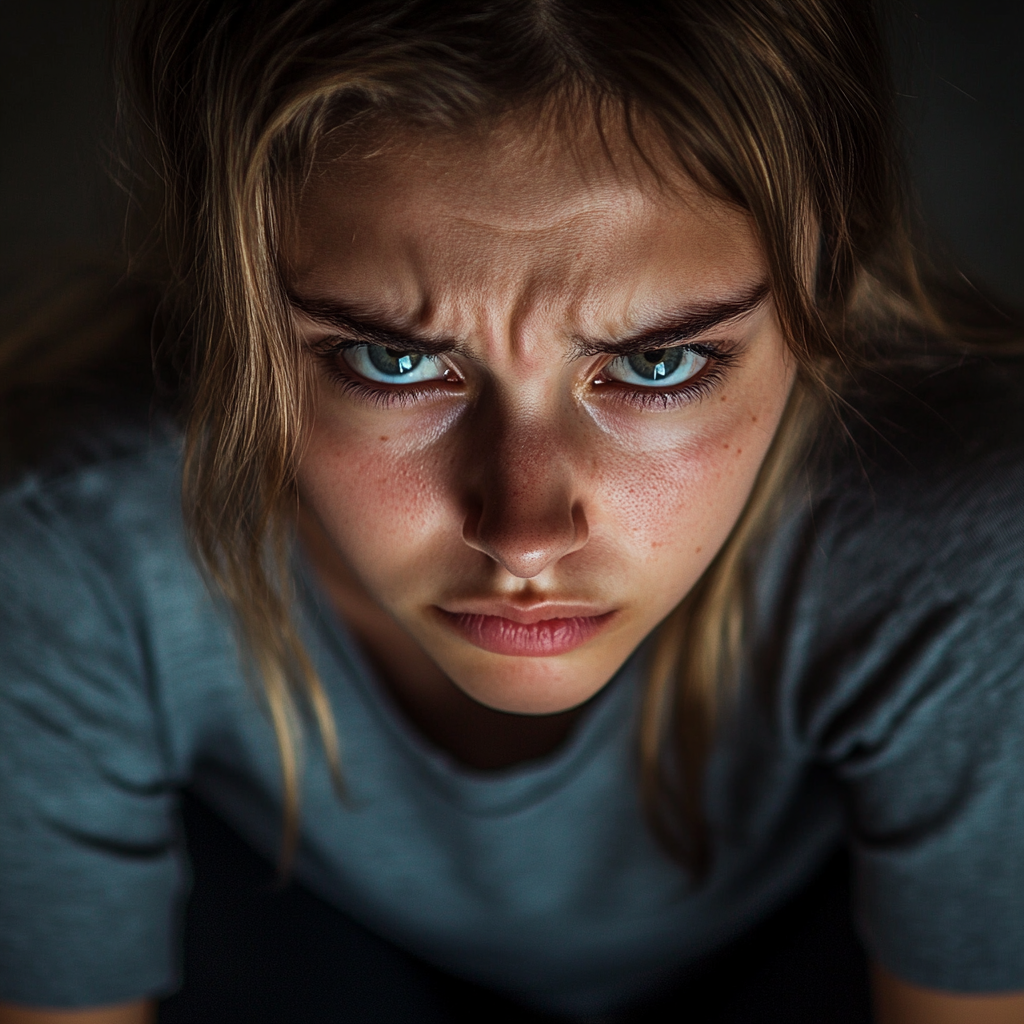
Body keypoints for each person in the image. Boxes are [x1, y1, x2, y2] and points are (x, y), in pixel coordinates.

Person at [1, 1, 1023, 1021]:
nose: (524, 530)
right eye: (392, 361)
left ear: (821, 286)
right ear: (240, 307)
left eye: (656, 363)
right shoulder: (73, 555)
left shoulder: (961, 555)